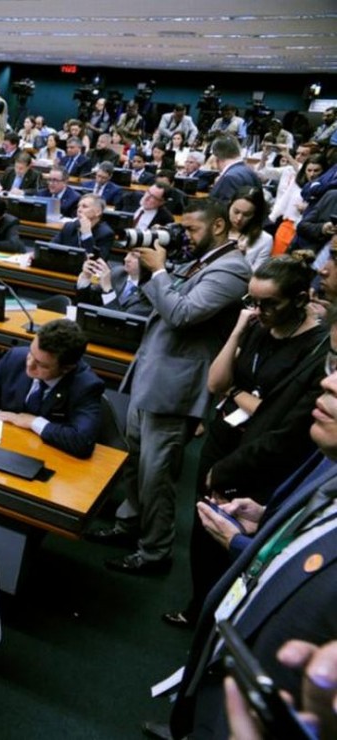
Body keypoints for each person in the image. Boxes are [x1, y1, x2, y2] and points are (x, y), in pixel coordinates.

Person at [157, 348, 337, 738]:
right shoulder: (329, 464)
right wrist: (269, 519)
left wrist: (240, 546)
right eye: (335, 364)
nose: (328, 382)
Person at [162, 253, 327, 628]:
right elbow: (216, 383)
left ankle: (223, 617)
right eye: (253, 301)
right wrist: (238, 331)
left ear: (300, 299)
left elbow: (276, 418)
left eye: (270, 303)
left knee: (238, 538)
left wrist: (238, 394)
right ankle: (198, 605)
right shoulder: (255, 326)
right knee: (204, 533)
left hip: (257, 457)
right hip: (222, 438)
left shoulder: (313, 350)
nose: (259, 310)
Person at [88, 200, 252, 573]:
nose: (186, 236)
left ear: (220, 226)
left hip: (176, 387)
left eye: (194, 230)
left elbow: (181, 314)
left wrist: (160, 271)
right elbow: (158, 302)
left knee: (156, 476)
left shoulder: (232, 270)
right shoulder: (201, 261)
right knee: (133, 464)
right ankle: (128, 525)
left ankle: (154, 551)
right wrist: (150, 273)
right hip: (151, 373)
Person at [0, 319, 104, 458]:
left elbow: (82, 441)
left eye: (42, 365)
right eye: (31, 353)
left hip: (49, 457)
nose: (29, 365)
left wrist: (34, 422)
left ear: (66, 368)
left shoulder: (86, 386)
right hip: (4, 446)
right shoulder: (16, 356)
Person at [75, 248, 153, 317]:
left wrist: (108, 291)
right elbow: (87, 303)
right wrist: (86, 278)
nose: (126, 259)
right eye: (128, 253)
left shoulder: (151, 291)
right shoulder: (117, 272)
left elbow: (122, 323)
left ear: (149, 261)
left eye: (134, 256)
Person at [51, 193, 115, 257]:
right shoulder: (69, 226)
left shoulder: (106, 234)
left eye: (84, 206)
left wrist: (87, 234)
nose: (79, 210)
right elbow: (51, 248)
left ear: (98, 212)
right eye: (78, 206)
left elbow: (95, 260)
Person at [226, 186, 273, 271]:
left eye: (246, 215)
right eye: (236, 212)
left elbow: (255, 276)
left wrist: (242, 259)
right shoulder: (214, 226)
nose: (239, 218)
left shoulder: (264, 240)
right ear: (229, 205)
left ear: (255, 215)